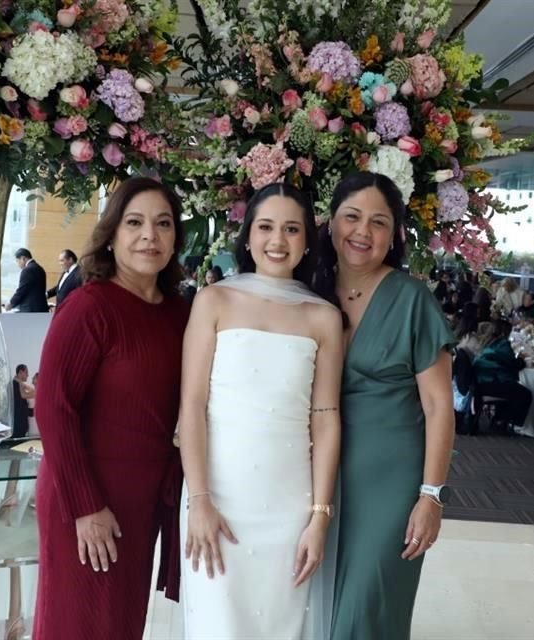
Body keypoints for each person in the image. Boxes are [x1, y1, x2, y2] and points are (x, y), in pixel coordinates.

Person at [179, 183, 342, 639]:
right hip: (218, 500)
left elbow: (326, 418)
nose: (277, 240)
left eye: (292, 229)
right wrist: (199, 500)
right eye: (266, 227)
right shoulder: (214, 301)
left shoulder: (322, 316)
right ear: (247, 236)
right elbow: (191, 405)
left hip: (290, 506)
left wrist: (319, 515)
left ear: (307, 240)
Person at [32, 178, 190, 640]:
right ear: (113, 233)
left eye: (163, 224)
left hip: (140, 500)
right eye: (135, 222)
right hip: (85, 496)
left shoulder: (180, 314)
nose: (150, 236)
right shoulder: (89, 306)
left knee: (119, 625)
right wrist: (86, 506)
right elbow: (53, 408)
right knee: (76, 624)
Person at [314, 172, 455, 639]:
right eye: (352, 217)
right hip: (315, 476)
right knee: (316, 607)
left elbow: (439, 406)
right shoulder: (308, 289)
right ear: (330, 222)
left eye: (378, 222)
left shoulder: (411, 299)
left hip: (389, 481)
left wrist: (431, 496)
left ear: (393, 235)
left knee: (366, 608)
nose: (362, 232)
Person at [473, 320, 532, 431]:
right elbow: (512, 364)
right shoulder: (502, 344)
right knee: (525, 394)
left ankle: (500, 418)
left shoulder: (485, 342)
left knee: (512, 389)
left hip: (479, 382)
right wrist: (522, 361)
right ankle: (510, 423)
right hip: (492, 382)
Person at [6, 248, 48, 312]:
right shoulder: (40, 268)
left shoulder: (27, 270)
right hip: (41, 308)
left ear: (23, 258)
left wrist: (11, 304)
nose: (18, 265)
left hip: (30, 310)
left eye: (17, 261)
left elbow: (22, 290)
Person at [11, 364, 35, 438]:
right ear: (21, 372)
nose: (28, 375)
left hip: (24, 423)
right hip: (18, 424)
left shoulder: (20, 385)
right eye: (26, 372)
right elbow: (18, 407)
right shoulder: (14, 386)